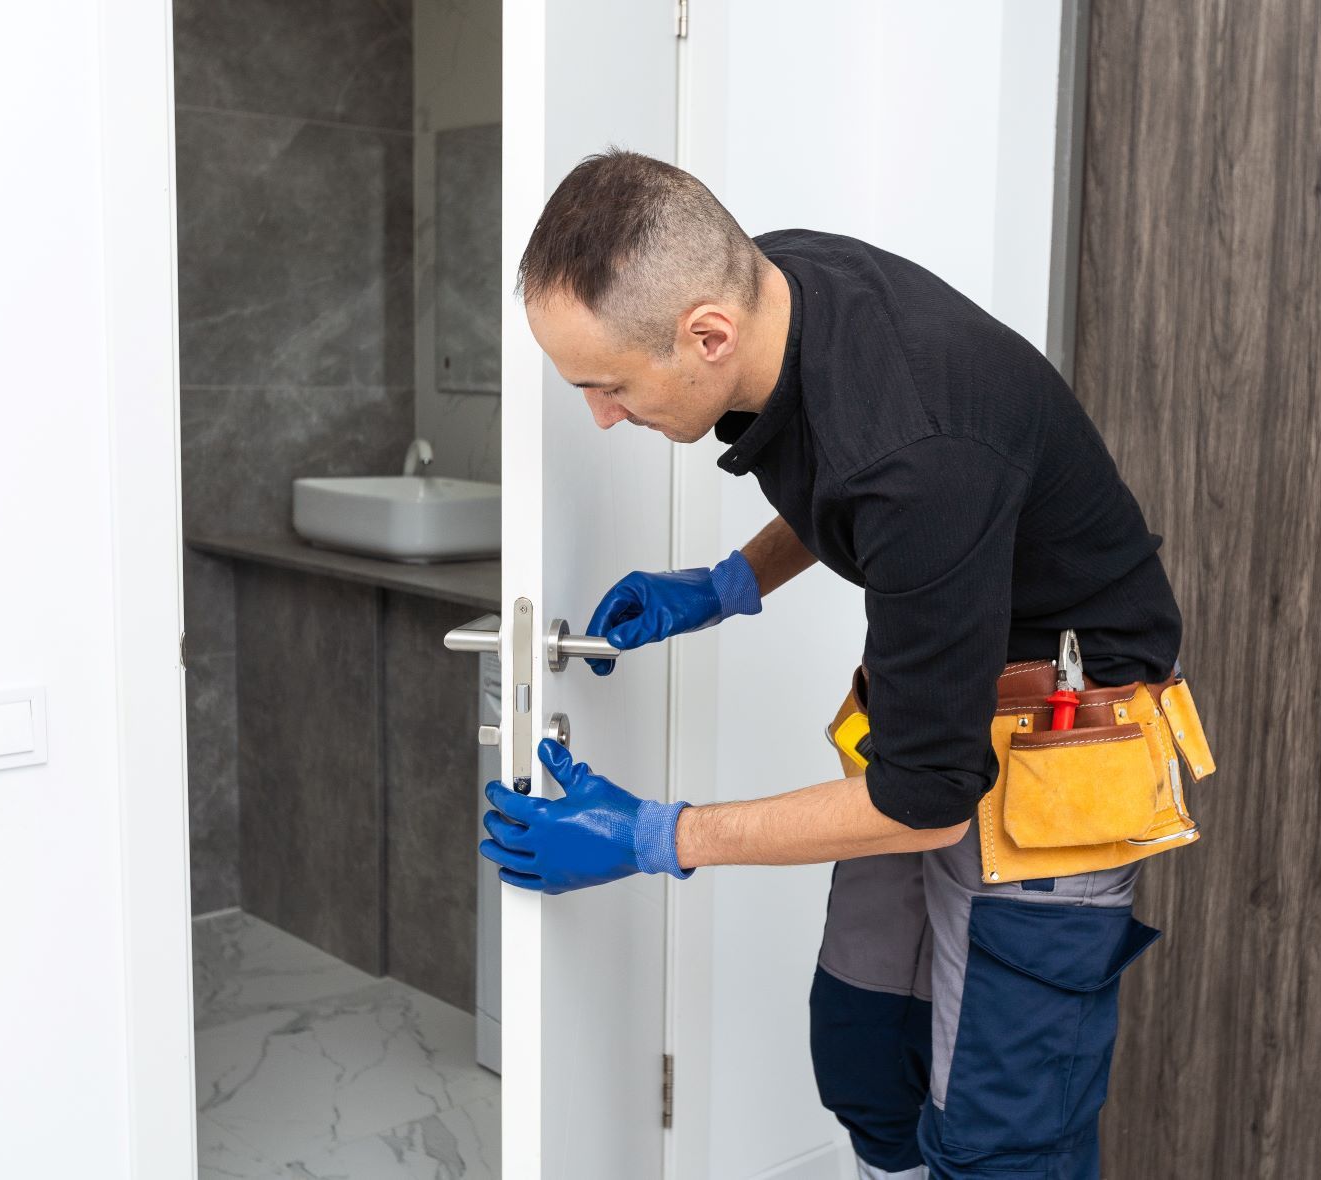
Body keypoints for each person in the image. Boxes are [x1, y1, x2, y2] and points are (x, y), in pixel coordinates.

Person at [479, 149, 1191, 1180]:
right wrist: (728, 582)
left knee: (1001, 1135)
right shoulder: (782, 289)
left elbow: (925, 799)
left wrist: (657, 835)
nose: (600, 414)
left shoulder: (922, 452)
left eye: (608, 386)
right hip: (940, 696)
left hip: (1061, 739)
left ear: (706, 336)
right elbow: (847, 475)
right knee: (866, 1052)